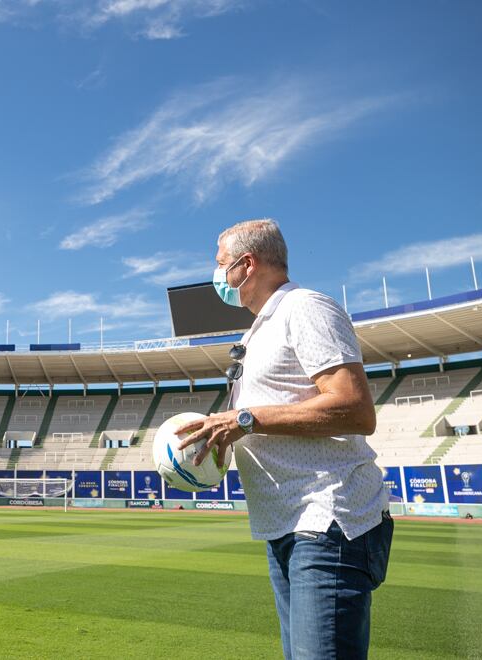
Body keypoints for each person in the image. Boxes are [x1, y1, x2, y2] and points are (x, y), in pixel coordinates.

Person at [176, 219, 393, 660]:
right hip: (287, 526)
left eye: (220, 265)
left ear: (247, 264)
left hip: (327, 520)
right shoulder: (256, 331)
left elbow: (354, 408)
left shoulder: (306, 307)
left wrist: (246, 418)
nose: (217, 275)